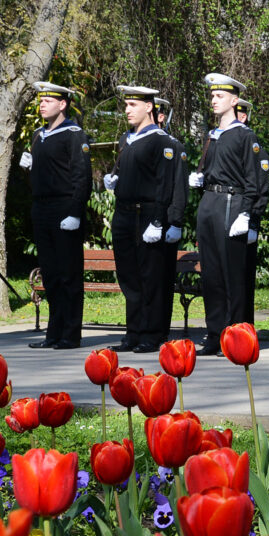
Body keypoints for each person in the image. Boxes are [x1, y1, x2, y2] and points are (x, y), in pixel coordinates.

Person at [188, 73, 261, 356]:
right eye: (212, 96)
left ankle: (236, 334)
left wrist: (246, 214)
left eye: (220, 96)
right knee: (211, 274)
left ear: (234, 100)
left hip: (232, 204)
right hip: (210, 202)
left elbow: (253, 180)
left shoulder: (244, 135)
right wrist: (200, 179)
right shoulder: (212, 135)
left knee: (233, 275)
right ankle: (215, 332)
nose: (214, 100)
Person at [21, 82, 91, 350]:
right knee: (50, 274)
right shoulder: (38, 135)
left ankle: (70, 335)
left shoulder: (73, 134)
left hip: (64, 208)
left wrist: (75, 212)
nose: (42, 105)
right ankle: (54, 333)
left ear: (62, 104)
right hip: (42, 208)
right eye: (41, 101)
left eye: (48, 101)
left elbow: (81, 177)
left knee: (68, 274)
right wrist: (30, 168)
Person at [104, 85, 175, 353]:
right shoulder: (127, 139)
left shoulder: (160, 140)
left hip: (147, 213)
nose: (127, 110)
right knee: (129, 277)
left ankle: (151, 333)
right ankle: (133, 332)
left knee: (150, 277)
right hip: (124, 213)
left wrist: (157, 221)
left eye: (133, 105)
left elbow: (164, 184)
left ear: (148, 107)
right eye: (126, 105)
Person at [154, 97, 189, 342]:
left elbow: (179, 187)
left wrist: (175, 222)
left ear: (161, 117)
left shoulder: (173, 146)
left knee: (162, 277)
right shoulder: (128, 141)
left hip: (165, 220)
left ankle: (159, 328)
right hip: (140, 218)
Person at [235, 98, 269, 323]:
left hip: (247, 221)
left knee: (244, 277)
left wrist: (254, 223)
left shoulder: (256, 150)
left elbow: (261, 189)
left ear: (243, 116)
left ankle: (245, 324)